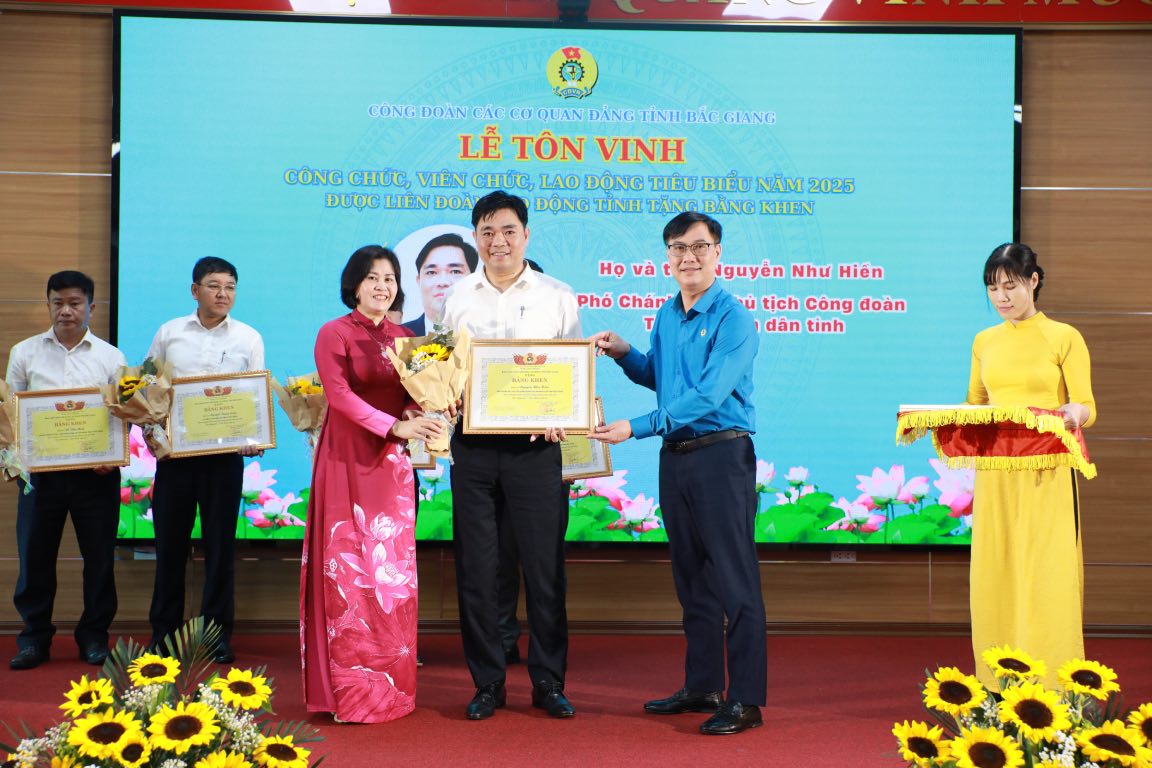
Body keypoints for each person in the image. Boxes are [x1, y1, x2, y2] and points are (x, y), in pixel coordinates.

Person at [590, 211, 767, 736]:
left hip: (721, 455)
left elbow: (708, 394)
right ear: (666, 256)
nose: (687, 257)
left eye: (698, 246)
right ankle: (703, 685)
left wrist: (636, 428)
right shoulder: (667, 314)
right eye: (677, 248)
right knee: (692, 580)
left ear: (718, 253)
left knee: (736, 582)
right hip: (678, 458)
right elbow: (662, 379)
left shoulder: (734, 317)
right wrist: (625, 355)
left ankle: (747, 700)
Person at [440, 190, 581, 720]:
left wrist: (562, 412)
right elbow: (442, 369)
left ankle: (548, 682)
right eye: (486, 231)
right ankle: (487, 683)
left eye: (507, 230)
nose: (497, 240)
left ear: (526, 234)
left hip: (535, 452)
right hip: (472, 451)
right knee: (476, 570)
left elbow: (571, 372)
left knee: (544, 570)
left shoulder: (557, 295)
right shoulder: (457, 298)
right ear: (475, 237)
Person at [300, 245, 444, 723]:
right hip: (346, 461)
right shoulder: (334, 332)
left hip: (391, 469)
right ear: (354, 285)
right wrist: (393, 426)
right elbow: (338, 396)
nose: (383, 286)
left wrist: (433, 414)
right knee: (348, 573)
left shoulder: (406, 338)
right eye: (372, 278)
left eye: (389, 278)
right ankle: (347, 693)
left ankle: (391, 692)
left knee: (391, 578)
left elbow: (415, 399)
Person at [966, 243, 1095, 689]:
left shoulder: (1063, 337)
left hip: (1048, 469)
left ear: (1033, 281)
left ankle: (1057, 684)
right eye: (992, 288)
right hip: (997, 473)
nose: (1001, 297)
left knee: (1047, 573)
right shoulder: (984, 341)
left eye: (1010, 286)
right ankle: (996, 684)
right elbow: (974, 405)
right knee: (995, 570)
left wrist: (1072, 415)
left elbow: (1086, 404)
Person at [146, 256, 265, 663]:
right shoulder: (169, 333)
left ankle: (215, 634)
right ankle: (163, 635)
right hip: (176, 460)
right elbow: (148, 391)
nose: (223, 294)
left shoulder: (248, 337)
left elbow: (254, 400)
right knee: (170, 548)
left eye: (230, 286)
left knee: (220, 549)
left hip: (223, 460)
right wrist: (153, 434)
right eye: (214, 285)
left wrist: (253, 437)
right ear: (195, 290)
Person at [5, 271, 126, 670]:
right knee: (35, 558)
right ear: (49, 305)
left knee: (99, 561)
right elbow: (10, 416)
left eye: (75, 303)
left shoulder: (111, 358)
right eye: (58, 302)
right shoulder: (24, 353)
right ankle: (34, 639)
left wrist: (114, 452)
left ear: (91, 307)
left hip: (97, 476)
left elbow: (122, 415)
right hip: (40, 478)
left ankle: (93, 637)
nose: (67, 311)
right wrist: (15, 460)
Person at [402, 232, 479, 336]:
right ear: (418, 281)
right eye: (432, 272)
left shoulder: (492, 335)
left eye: (455, 271)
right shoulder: (397, 337)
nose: (443, 282)